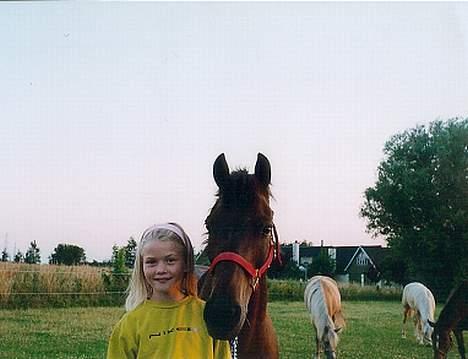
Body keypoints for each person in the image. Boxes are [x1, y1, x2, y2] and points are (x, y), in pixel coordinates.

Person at [107, 222, 231, 359]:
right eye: (151, 262)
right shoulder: (130, 324)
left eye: (170, 260)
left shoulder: (207, 316)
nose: (161, 270)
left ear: (186, 264)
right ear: (141, 266)